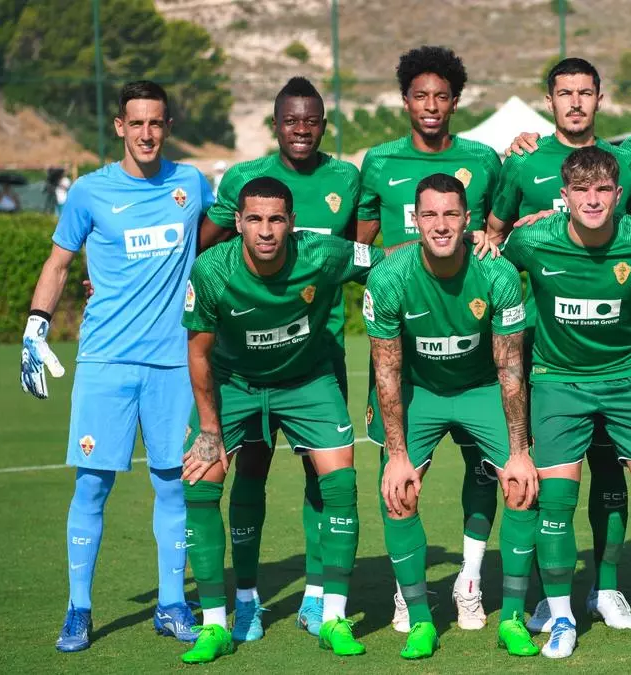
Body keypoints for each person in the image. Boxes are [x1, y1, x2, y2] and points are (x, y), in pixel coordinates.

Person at [20, 80, 212, 652]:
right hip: (105, 361)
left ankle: (172, 605)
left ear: (168, 126)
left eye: (156, 123)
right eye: (137, 123)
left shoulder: (191, 183)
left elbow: (218, 243)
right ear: (119, 127)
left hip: (173, 363)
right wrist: (35, 325)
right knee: (91, 486)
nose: (147, 134)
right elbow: (58, 263)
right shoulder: (88, 191)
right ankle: (78, 610)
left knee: (174, 486)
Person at [177, 176, 384, 663]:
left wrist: (457, 242)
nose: (266, 230)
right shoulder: (212, 270)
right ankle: (216, 624)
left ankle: (332, 617)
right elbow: (199, 353)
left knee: (340, 482)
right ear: (238, 223)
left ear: (292, 222)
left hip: (307, 381)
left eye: (275, 219)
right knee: (200, 485)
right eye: (254, 219)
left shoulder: (322, 253)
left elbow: (385, 260)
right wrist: (209, 430)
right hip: (235, 383)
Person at [502, 146, 631, 658]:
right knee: (556, 503)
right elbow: (487, 263)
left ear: (618, 194)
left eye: (603, 189)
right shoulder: (533, 240)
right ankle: (561, 618)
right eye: (581, 190)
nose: (592, 199)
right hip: (558, 381)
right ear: (564, 196)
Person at [197, 75, 363, 640]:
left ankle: (318, 595)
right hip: (245, 359)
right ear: (276, 125)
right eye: (291, 121)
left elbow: (361, 253)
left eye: (311, 121)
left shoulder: (345, 177)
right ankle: (245, 599)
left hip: (320, 352)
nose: (301, 130)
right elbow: (201, 246)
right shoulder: (243, 180)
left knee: (326, 476)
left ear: (323, 125)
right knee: (252, 467)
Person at [488, 57, 631, 633]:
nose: (575, 102)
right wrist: (522, 227)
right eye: (564, 93)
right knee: (546, 474)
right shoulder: (524, 161)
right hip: (544, 348)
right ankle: (549, 596)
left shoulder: (626, 163)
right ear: (548, 100)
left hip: (612, 347)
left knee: (609, 472)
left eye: (584, 92)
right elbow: (493, 242)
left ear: (600, 97)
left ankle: (607, 589)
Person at [356, 45, 504, 633]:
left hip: (472, 346)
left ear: (456, 101)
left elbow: (500, 230)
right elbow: (360, 245)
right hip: (407, 344)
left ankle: (469, 580)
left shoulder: (484, 159)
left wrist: (494, 237)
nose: (431, 105)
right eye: (421, 95)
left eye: (442, 95)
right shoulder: (378, 161)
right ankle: (407, 592)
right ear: (405, 100)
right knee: (398, 477)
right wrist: (394, 265)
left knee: (485, 470)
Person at [366, 173, 539, 660]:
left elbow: (510, 369)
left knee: (522, 487)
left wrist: (520, 452)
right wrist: (397, 455)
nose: (440, 225)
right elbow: (386, 372)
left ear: (467, 220)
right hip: (417, 390)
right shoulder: (389, 278)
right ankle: (420, 618)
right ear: (415, 220)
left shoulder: (497, 273)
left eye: (450, 214)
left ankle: (511, 618)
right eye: (430, 214)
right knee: (398, 492)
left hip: (480, 387)